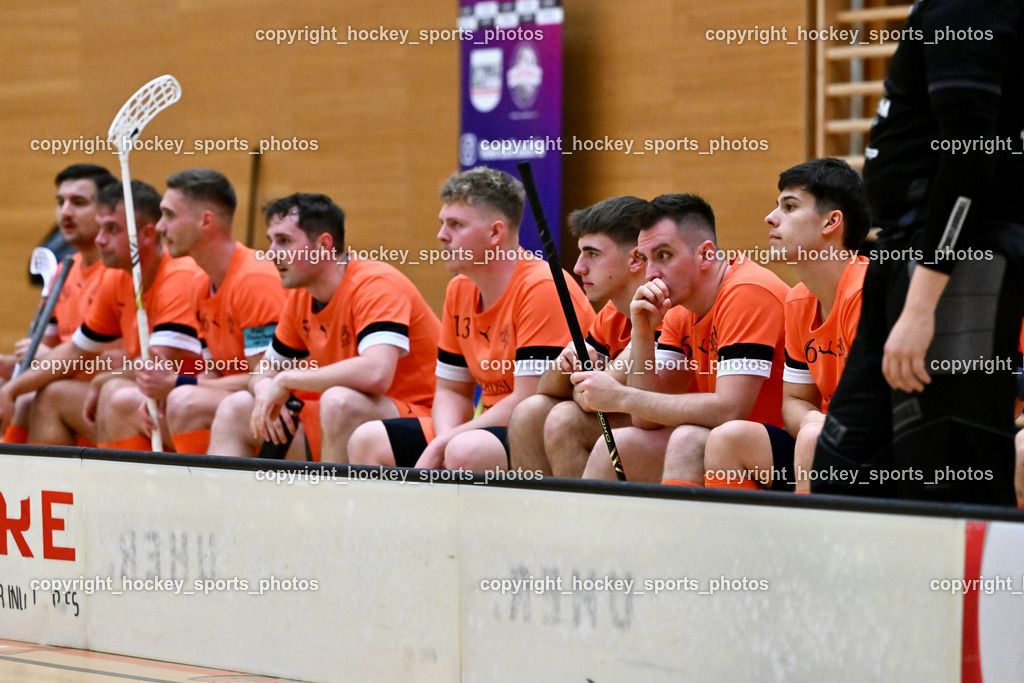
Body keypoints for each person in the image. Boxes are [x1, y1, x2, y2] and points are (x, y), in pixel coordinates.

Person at [814, 2, 1024, 505]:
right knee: (844, 469)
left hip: (957, 265)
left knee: (949, 479)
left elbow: (970, 157)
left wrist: (922, 304)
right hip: (902, 252)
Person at [348, 166, 594, 472]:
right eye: (442, 223)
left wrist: (447, 443)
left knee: (465, 450)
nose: (441, 235)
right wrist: (443, 440)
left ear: (495, 233)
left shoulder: (543, 287)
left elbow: (527, 401)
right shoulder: (459, 289)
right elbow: (451, 390)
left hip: (537, 432)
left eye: (456, 224)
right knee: (367, 440)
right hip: (483, 429)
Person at [570, 194, 790, 484]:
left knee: (687, 439)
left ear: (706, 254)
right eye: (645, 259)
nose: (650, 274)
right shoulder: (678, 307)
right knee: (617, 447)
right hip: (725, 439)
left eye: (663, 256)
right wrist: (642, 333)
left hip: (785, 448)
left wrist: (622, 397)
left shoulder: (748, 292)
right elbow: (646, 418)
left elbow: (730, 409)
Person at [207, 193, 439, 463]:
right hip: (347, 422)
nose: (271, 253)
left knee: (339, 403)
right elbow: (263, 371)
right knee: (235, 409)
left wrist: (287, 379)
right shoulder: (301, 297)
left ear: (322, 245)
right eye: (271, 241)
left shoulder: (376, 284)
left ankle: (329, 491)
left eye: (284, 241)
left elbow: (376, 373)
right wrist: (264, 389)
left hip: (423, 422)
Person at [702, 158, 871, 492]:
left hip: (880, 451)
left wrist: (818, 430)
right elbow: (794, 402)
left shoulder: (867, 293)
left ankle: (810, 528)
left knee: (812, 437)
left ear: (831, 222)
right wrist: (811, 420)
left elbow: (877, 410)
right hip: (825, 441)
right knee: (728, 439)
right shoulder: (798, 301)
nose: (771, 217)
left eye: (789, 207)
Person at [0, 180, 203, 449]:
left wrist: (103, 376)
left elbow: (157, 365)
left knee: (116, 394)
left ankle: (129, 476)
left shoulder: (179, 275)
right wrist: (12, 389)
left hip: (188, 394)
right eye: (100, 228)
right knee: (52, 395)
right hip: (147, 396)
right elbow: (76, 351)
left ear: (146, 234)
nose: (100, 240)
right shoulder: (117, 278)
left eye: (112, 229)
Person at [132, 169, 286, 455]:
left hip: (287, 409)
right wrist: (172, 379)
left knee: (184, 401)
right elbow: (213, 370)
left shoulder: (255, 280)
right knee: (160, 403)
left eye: (169, 215)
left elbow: (266, 377)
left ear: (205, 221)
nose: (161, 227)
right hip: (243, 401)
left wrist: (175, 382)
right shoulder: (199, 284)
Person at [508, 195, 647, 477]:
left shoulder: (660, 306)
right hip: (632, 418)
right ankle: (535, 507)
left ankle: (579, 508)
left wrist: (577, 382)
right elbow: (546, 389)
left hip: (678, 428)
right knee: (530, 411)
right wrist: (564, 364)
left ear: (635, 259)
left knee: (565, 419)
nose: (579, 267)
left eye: (592, 254)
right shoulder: (611, 313)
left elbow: (591, 396)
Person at [0, 164, 117, 444]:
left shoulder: (118, 272)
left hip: (103, 394)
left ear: (106, 211)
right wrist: (9, 365)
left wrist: (45, 361)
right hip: (67, 381)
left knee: (39, 397)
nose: (65, 212)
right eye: (60, 202)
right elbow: (41, 354)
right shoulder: (63, 271)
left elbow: (117, 360)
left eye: (78, 202)